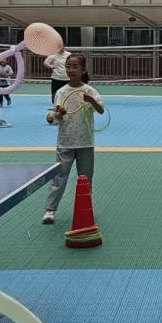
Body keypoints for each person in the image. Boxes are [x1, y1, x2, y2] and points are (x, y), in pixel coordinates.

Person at [42, 53, 104, 224]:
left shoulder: (90, 91)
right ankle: (50, 210)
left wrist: (91, 101)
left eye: (75, 67)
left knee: (86, 180)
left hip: (85, 142)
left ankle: (86, 210)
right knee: (59, 178)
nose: (71, 70)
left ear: (83, 70)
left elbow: (101, 110)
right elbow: (52, 118)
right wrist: (57, 114)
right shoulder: (61, 92)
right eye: (68, 67)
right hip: (66, 142)